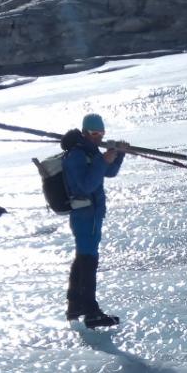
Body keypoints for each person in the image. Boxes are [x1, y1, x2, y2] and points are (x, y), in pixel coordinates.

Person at [61, 113, 129, 328]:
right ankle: (91, 312)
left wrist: (118, 155)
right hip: (84, 215)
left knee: (83, 260)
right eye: (94, 133)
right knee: (88, 261)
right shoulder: (76, 155)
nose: (98, 137)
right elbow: (87, 185)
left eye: (101, 133)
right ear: (85, 132)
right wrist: (103, 159)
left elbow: (108, 173)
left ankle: (75, 307)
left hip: (91, 214)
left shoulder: (89, 151)